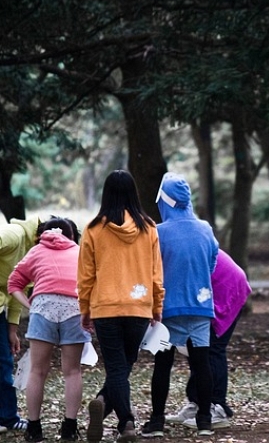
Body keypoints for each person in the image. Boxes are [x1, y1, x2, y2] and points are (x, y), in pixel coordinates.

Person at [77, 170, 165, 443]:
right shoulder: (149, 227)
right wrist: (157, 305)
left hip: (105, 308)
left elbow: (86, 276)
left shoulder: (93, 229)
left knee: (117, 367)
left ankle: (108, 405)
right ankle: (125, 421)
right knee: (123, 366)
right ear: (133, 193)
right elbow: (155, 273)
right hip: (138, 307)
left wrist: (85, 309)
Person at [141, 172, 219, 438]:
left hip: (168, 309)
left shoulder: (157, 233)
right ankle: (205, 420)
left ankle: (157, 422)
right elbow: (212, 263)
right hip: (200, 306)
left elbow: (151, 270)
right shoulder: (205, 228)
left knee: (163, 365)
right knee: (202, 365)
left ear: (164, 200)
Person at [8, 217, 90, 442]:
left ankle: (34, 428)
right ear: (71, 235)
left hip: (43, 307)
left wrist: (30, 304)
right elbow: (91, 283)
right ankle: (69, 428)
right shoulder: (79, 251)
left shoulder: (36, 251)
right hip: (74, 306)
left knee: (37, 371)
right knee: (72, 371)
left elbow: (13, 283)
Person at [167, 248, 252, 429]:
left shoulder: (166, 243)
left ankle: (218, 407)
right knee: (196, 347)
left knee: (212, 348)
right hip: (209, 291)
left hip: (227, 288)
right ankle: (197, 402)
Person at [0, 216, 40, 436]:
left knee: (4, 362)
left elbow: (19, 291)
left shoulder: (30, 254)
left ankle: (7, 417)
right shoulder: (14, 235)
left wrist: (12, 329)